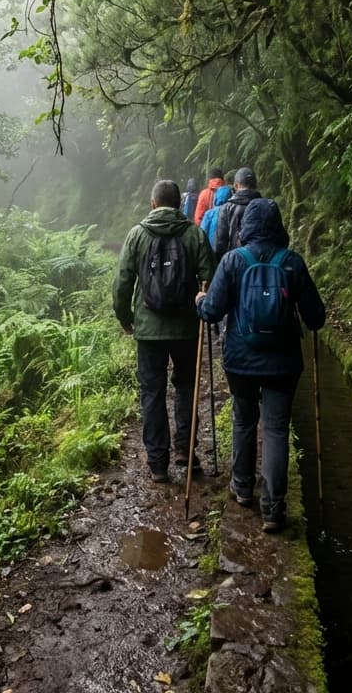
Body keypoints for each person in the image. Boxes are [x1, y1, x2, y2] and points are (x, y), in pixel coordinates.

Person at [195, 198, 325, 531]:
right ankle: (273, 508)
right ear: (279, 224)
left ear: (246, 226)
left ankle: (241, 487)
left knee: (244, 420)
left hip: (240, 359)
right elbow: (316, 317)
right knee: (277, 428)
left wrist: (200, 302)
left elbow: (212, 312)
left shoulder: (232, 261)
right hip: (283, 363)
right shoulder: (292, 263)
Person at [113, 179, 216, 482]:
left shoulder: (137, 235)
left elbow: (122, 281)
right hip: (186, 327)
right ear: (179, 203)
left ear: (153, 203)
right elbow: (210, 275)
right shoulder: (194, 234)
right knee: (186, 386)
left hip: (148, 329)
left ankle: (158, 463)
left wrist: (125, 317)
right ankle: (185, 450)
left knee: (152, 392)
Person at [213, 165, 262, 259]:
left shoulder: (226, 208)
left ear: (236, 186)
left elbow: (220, 244)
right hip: (260, 264)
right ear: (255, 185)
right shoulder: (265, 206)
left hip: (235, 262)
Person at [200, 183, 232, 249]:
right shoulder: (232, 212)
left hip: (211, 249)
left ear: (216, 197)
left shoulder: (209, 213)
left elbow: (203, 233)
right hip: (227, 251)